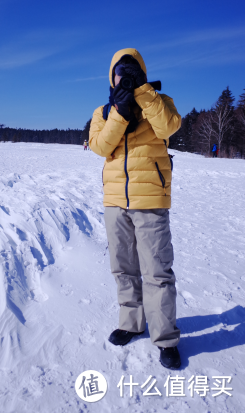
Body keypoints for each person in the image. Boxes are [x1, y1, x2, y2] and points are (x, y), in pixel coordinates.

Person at [89, 48, 182, 370]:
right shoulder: (104, 111)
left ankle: (166, 338)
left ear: (141, 72)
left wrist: (142, 92)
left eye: (131, 71)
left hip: (151, 200)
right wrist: (121, 111)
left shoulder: (159, 102)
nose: (124, 76)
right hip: (115, 201)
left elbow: (169, 127)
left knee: (156, 272)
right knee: (123, 268)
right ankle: (131, 323)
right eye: (120, 72)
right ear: (111, 76)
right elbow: (101, 147)